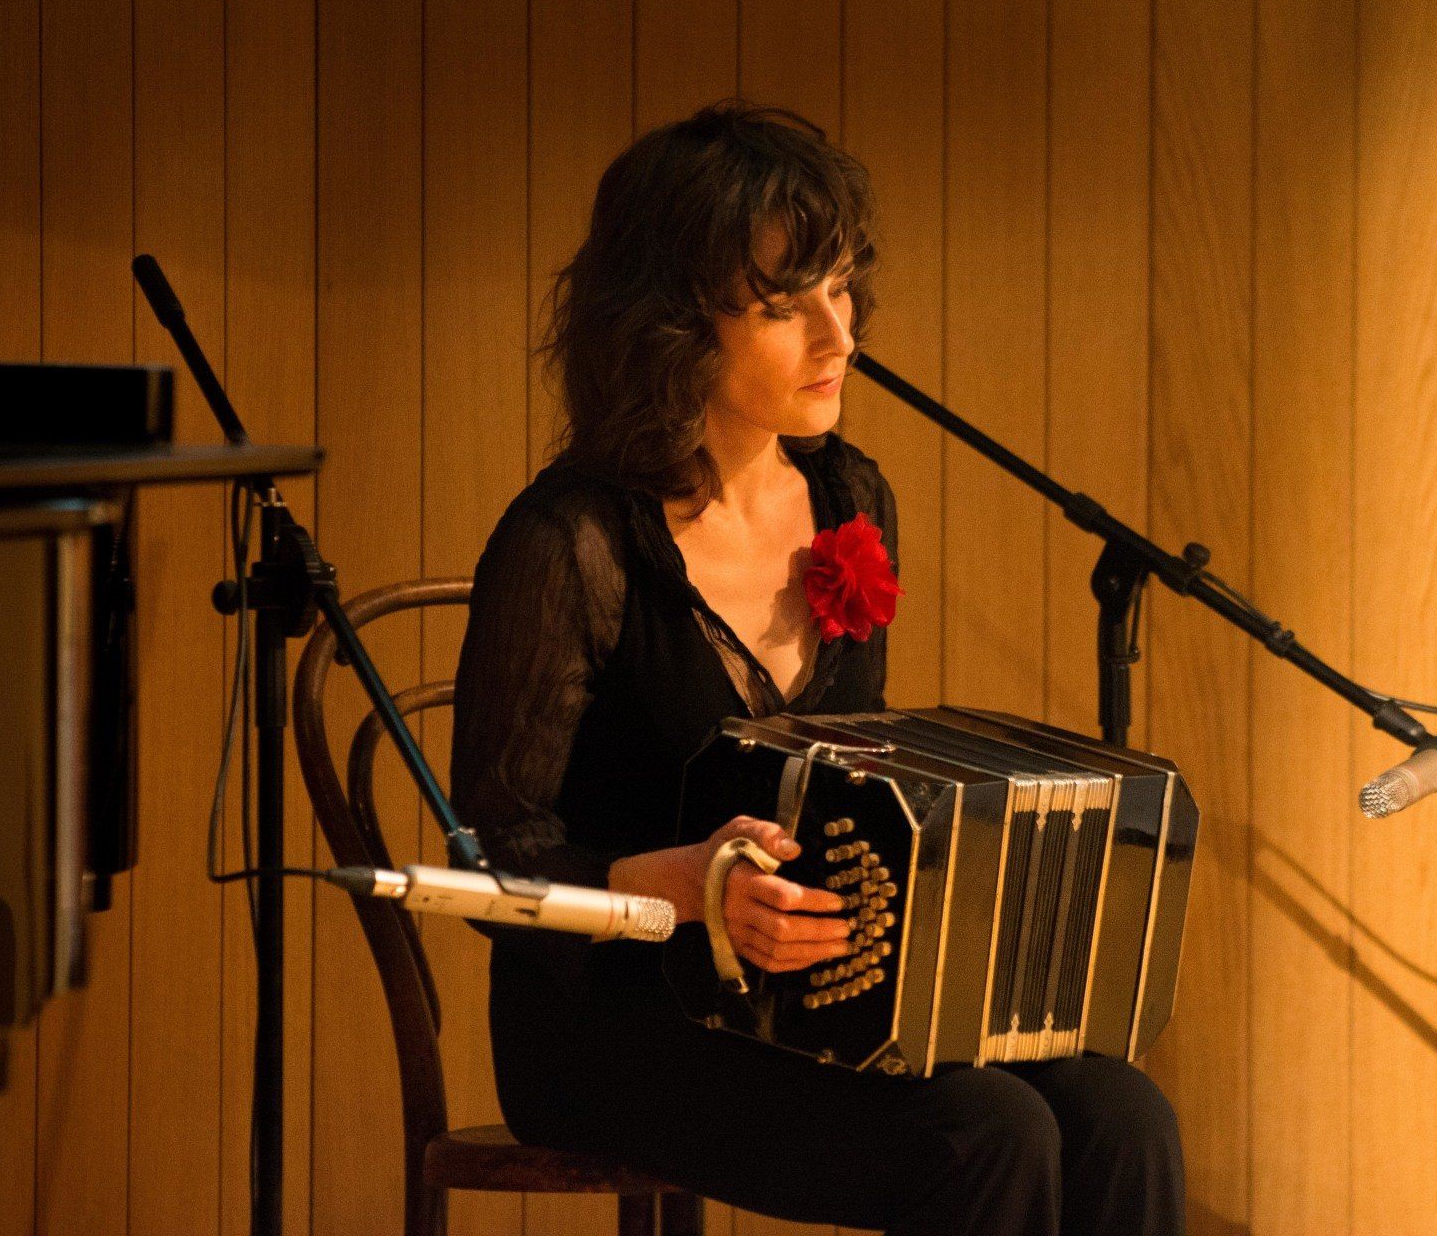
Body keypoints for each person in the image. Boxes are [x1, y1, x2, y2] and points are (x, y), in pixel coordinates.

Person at [449, 99, 1184, 1236]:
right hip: (615, 1023)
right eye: (785, 306)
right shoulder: (571, 540)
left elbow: (853, 785)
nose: (839, 337)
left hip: (812, 1001)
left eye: (842, 288)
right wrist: (681, 885)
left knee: (1123, 1112)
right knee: (987, 1131)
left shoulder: (849, 495)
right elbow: (495, 852)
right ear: (672, 327)